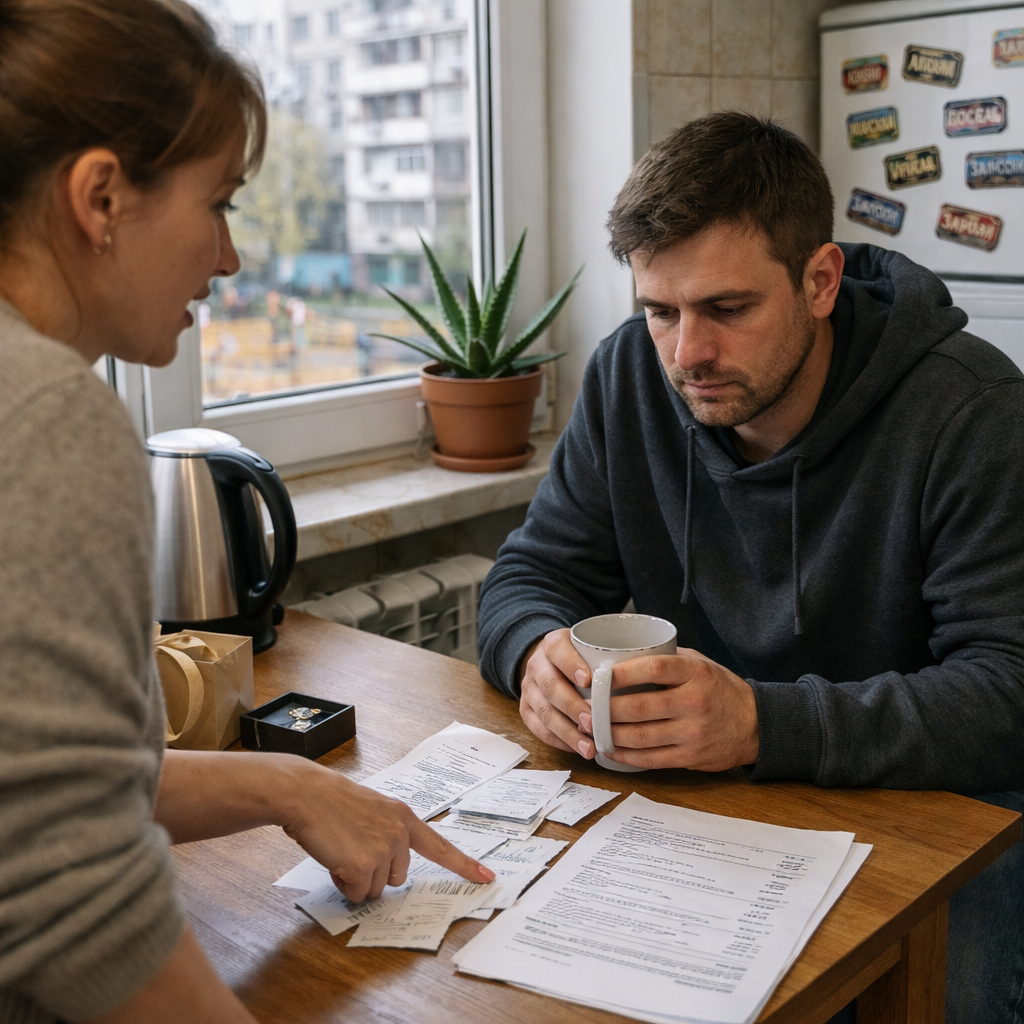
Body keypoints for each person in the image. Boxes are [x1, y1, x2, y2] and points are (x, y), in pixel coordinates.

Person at [0, 3, 493, 1022]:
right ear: (100, 196)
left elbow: (51, 790)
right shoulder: (45, 413)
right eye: (217, 204)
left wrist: (291, 788)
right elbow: (72, 897)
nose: (226, 259)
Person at [477, 113, 1024, 1023]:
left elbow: (1010, 692)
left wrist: (761, 724)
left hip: (940, 805)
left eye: (726, 309)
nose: (688, 353)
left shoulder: (972, 413)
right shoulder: (628, 377)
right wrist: (534, 654)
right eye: (660, 311)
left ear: (819, 280)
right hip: (716, 803)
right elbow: (532, 572)